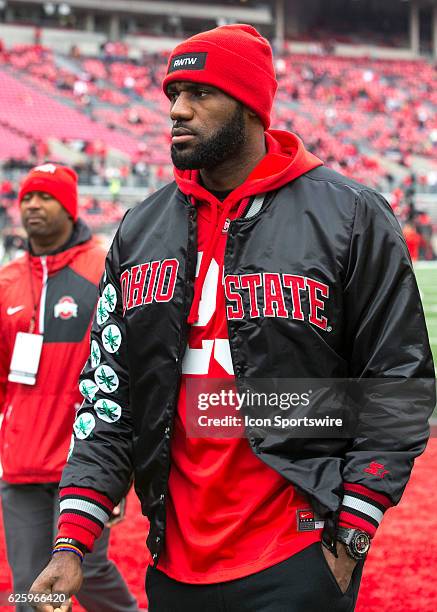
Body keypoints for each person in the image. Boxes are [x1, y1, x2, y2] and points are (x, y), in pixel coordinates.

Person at [31, 26, 435, 612]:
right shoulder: (140, 230)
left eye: (199, 93)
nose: (177, 109)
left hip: (297, 557)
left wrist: (352, 531)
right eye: (173, 93)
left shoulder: (349, 215)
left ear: (248, 104)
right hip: (173, 563)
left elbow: (398, 381)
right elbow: (109, 395)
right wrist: (72, 542)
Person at [0, 163, 139, 612]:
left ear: (70, 206)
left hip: (85, 457)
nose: (33, 206)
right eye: (26, 198)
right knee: (27, 586)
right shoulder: (6, 283)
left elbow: (128, 365)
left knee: (89, 571)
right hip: (21, 463)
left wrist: (123, 466)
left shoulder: (104, 267)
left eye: (45, 197)